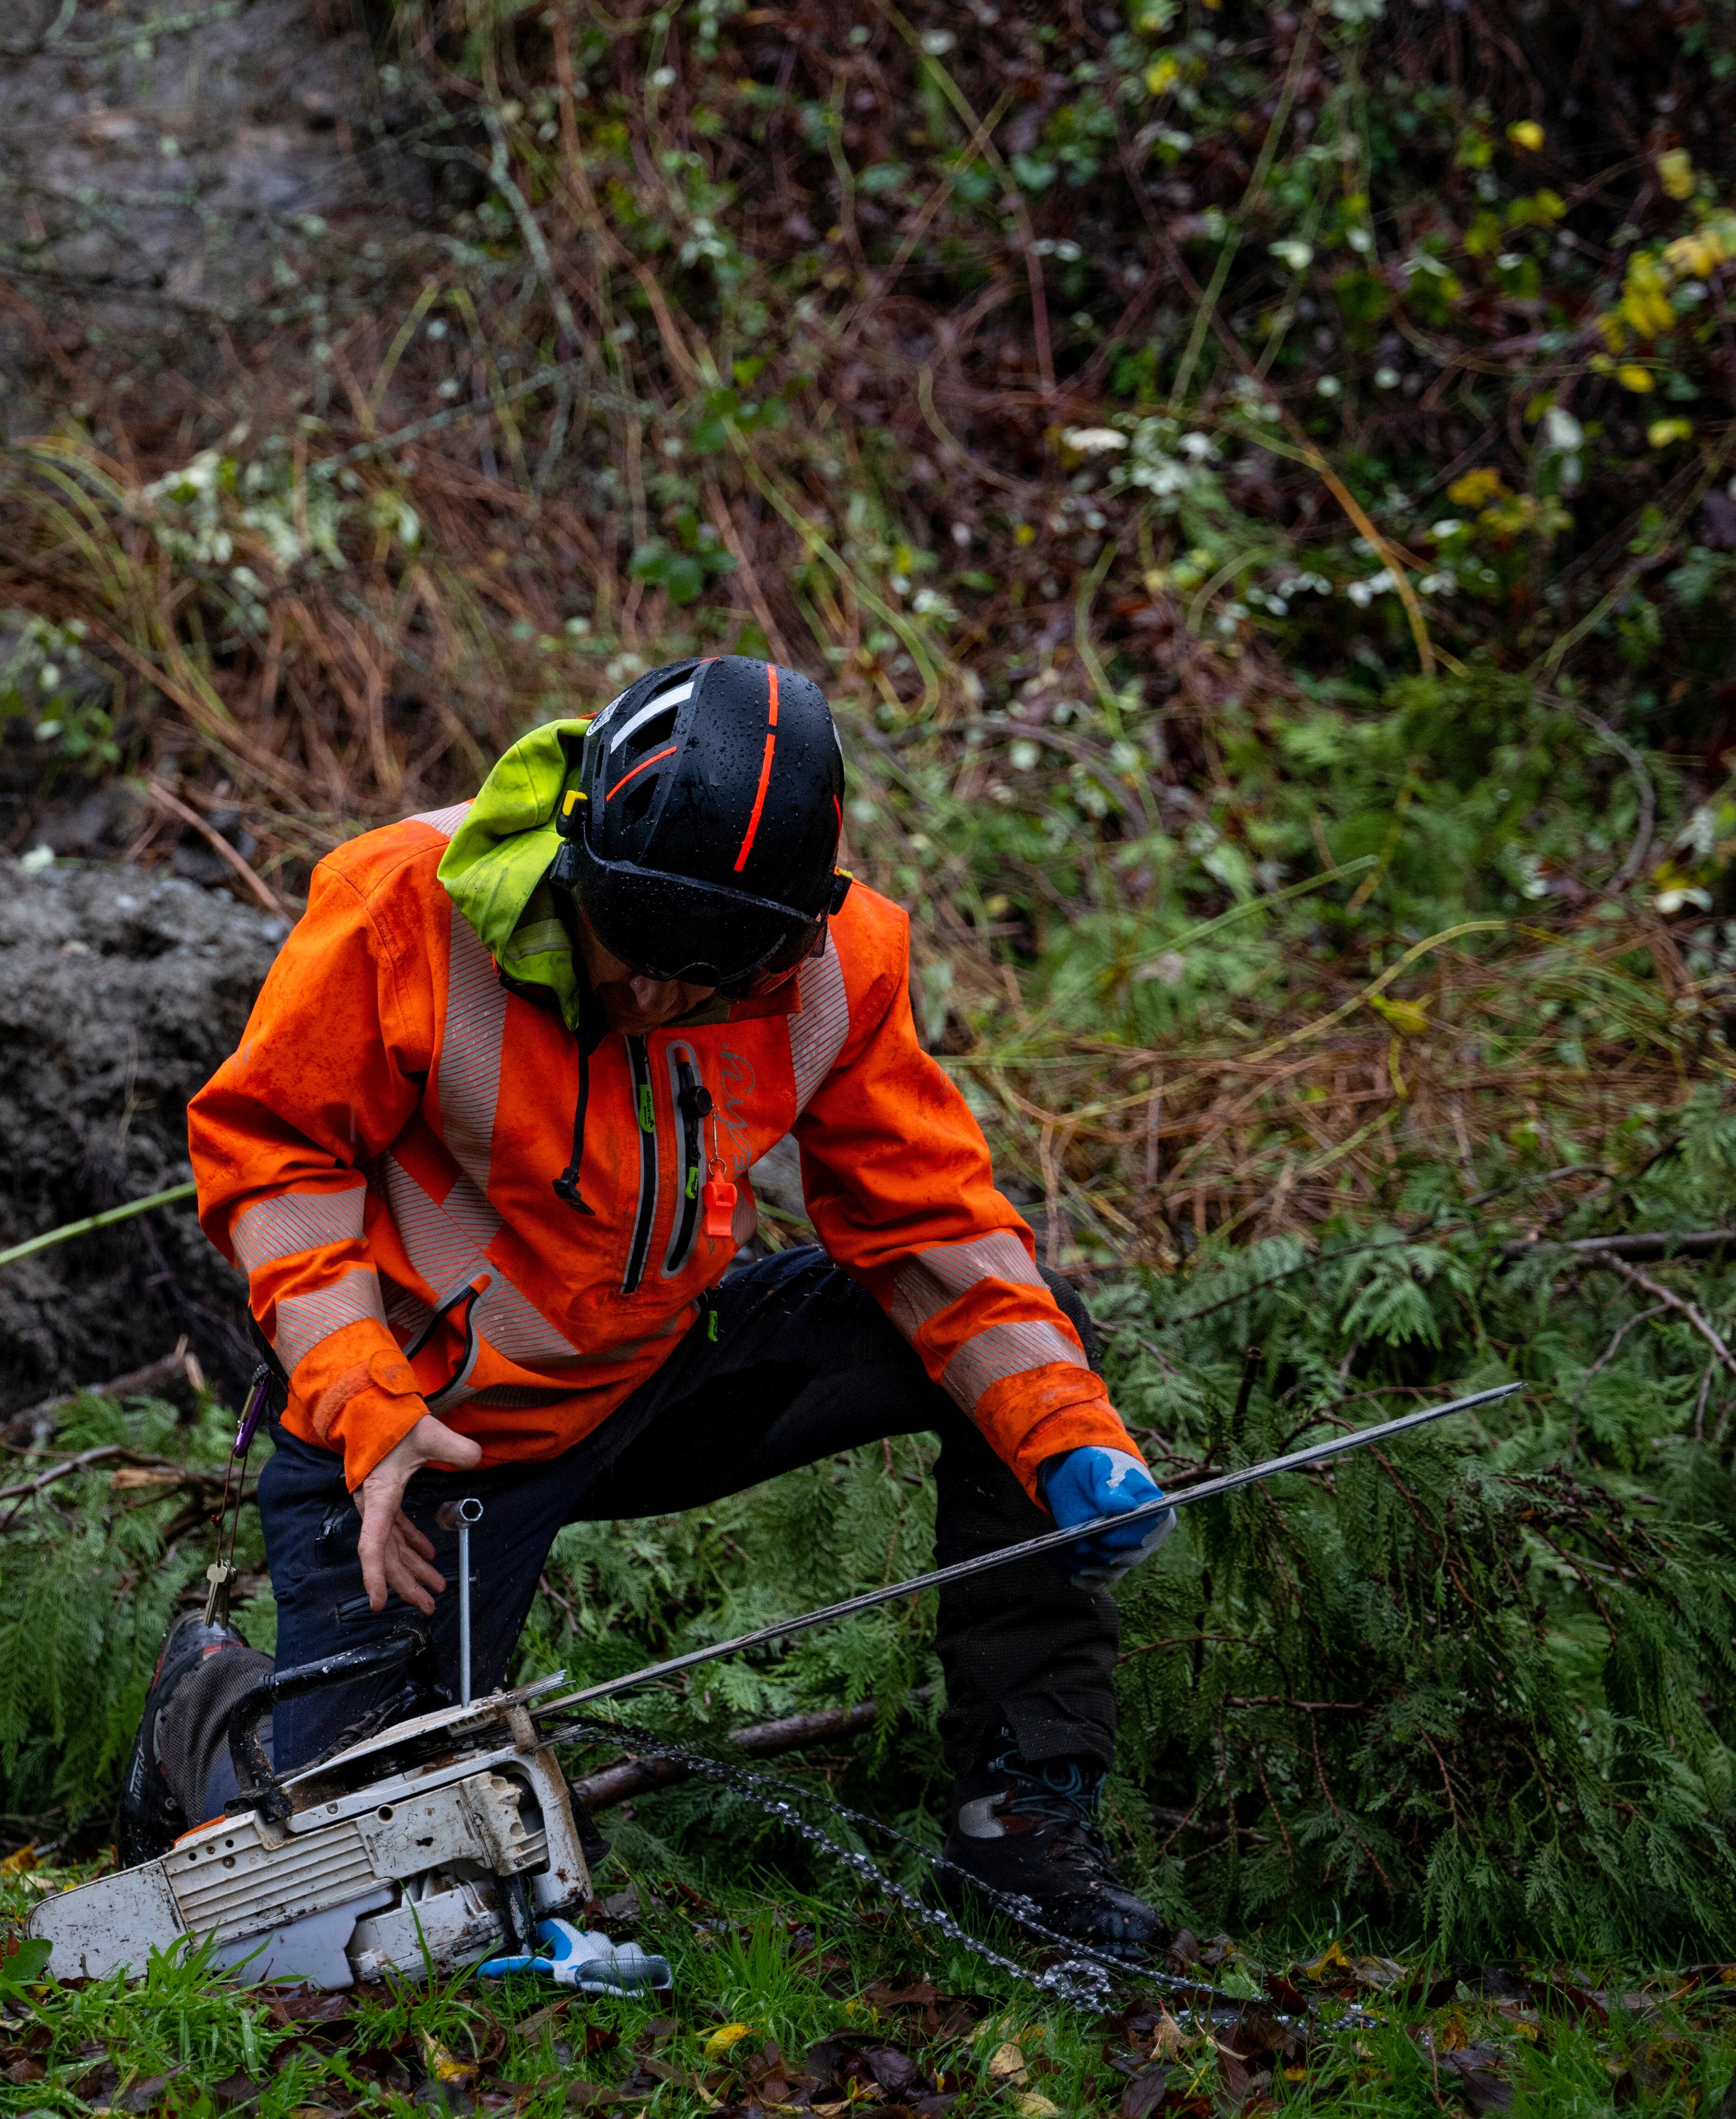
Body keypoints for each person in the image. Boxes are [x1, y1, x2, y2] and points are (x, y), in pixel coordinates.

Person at [162, 654, 1176, 1958]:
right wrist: (361, 1393)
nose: (656, 997)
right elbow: (273, 1157)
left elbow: (929, 1225)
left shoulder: (834, 967)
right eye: (635, 948)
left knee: (1028, 1356)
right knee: (379, 1885)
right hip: (427, 1434)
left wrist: (1066, 1434)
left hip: (662, 1372)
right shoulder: (401, 905)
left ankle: (1021, 1825)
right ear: (581, 858)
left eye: (710, 975)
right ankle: (210, 1707)